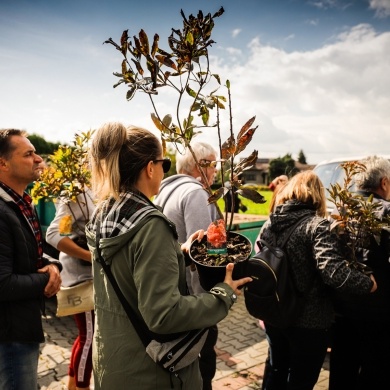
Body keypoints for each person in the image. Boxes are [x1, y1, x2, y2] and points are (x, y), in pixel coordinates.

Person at [85, 123, 252, 389]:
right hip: (151, 373)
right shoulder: (150, 225)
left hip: (114, 361)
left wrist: (179, 253)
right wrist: (223, 294)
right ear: (149, 168)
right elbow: (164, 315)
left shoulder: (104, 213)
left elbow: (128, 271)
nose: (165, 170)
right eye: (164, 163)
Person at [257, 170, 377, 390]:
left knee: (276, 371)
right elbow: (334, 272)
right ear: (318, 195)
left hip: (274, 314)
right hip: (308, 323)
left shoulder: (270, 224)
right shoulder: (317, 226)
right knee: (301, 380)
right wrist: (367, 283)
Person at [0, 129, 62, 390]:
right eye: (28, 154)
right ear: (3, 163)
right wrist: (46, 278)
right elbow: (3, 283)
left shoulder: (22, 201)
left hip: (21, 327)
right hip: (9, 334)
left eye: (36, 152)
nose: (38, 159)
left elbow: (31, 252)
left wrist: (54, 265)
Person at [154, 141, 219, 390]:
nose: (214, 171)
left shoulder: (165, 191)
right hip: (194, 300)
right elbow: (203, 254)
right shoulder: (195, 193)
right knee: (203, 370)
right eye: (212, 164)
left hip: (174, 292)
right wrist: (211, 303)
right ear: (200, 166)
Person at [328, 155, 390, 390]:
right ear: (384, 183)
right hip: (378, 312)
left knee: (342, 370)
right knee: (376, 372)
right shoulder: (386, 211)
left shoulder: (341, 210)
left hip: (341, 308)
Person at [46, 189, 95, 390]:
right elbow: (54, 234)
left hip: (86, 278)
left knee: (85, 335)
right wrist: (90, 257)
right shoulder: (79, 192)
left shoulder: (95, 190)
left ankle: (72, 385)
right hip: (80, 279)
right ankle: (81, 386)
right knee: (89, 338)